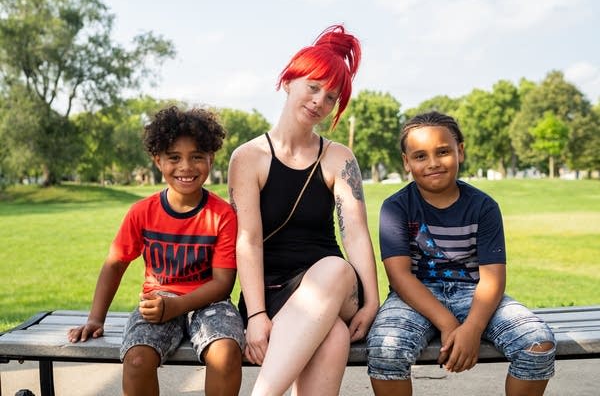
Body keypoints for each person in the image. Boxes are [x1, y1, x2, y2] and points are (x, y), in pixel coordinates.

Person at [227, 24, 379, 396]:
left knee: (335, 268)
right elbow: (248, 241)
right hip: (271, 292)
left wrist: (372, 300)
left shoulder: (338, 158)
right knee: (334, 338)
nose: (319, 102)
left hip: (335, 286)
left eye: (331, 97)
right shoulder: (248, 158)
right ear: (288, 81)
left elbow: (355, 232)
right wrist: (257, 315)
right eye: (313, 87)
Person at [367, 111, 556, 396]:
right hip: (415, 296)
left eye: (443, 152)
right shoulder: (396, 207)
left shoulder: (484, 206)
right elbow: (399, 276)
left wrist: (473, 328)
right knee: (385, 348)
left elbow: (492, 278)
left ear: (460, 152)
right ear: (406, 162)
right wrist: (449, 323)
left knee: (537, 343)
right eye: (420, 156)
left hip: (474, 293)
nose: (432, 163)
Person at [67, 106, 245, 396]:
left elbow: (222, 283)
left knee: (225, 354)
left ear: (211, 158)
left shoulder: (222, 215)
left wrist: (177, 306)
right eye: (174, 158)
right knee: (136, 360)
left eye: (197, 156)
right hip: (158, 301)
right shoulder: (142, 213)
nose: (186, 167)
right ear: (157, 160)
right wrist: (95, 319)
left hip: (211, 304)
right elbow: (115, 264)